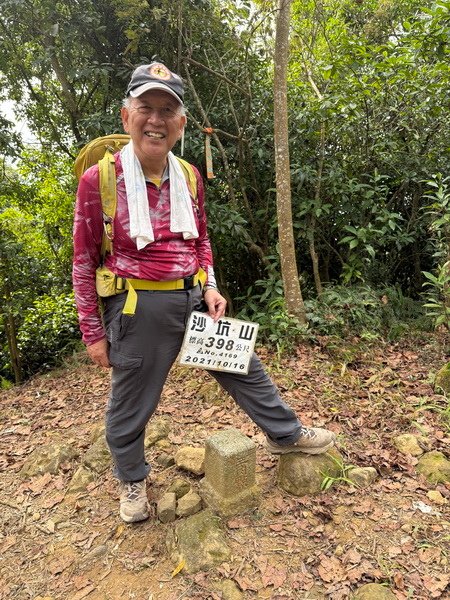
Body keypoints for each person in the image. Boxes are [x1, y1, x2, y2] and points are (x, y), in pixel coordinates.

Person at [72, 62, 336, 523]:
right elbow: (82, 258)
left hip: (194, 297)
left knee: (245, 369)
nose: (156, 119)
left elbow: (200, 240)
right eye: (146, 108)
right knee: (133, 401)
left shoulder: (189, 175)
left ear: (181, 123)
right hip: (138, 306)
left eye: (167, 110)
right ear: (125, 115)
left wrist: (210, 286)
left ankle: (284, 432)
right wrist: (93, 332)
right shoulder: (101, 180)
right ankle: (131, 478)